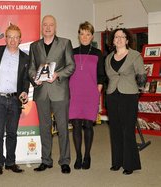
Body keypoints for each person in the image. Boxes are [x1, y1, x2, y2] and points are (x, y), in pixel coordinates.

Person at [29, 15, 75, 174]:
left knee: (62, 128)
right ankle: (46, 160)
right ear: (42, 27)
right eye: (45, 25)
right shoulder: (34, 46)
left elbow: (71, 66)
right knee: (44, 128)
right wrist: (35, 78)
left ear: (55, 27)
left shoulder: (65, 43)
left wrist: (58, 74)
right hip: (41, 92)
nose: (48, 27)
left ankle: (64, 161)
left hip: (59, 91)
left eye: (51, 25)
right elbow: (31, 68)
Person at [0, 24, 30, 175]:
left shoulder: (25, 57)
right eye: (9, 36)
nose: (12, 40)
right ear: (5, 38)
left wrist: (25, 91)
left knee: (12, 133)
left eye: (16, 37)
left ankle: (10, 162)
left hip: (14, 100)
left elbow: (25, 80)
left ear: (20, 39)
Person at [105, 28, 146, 175]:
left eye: (122, 37)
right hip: (112, 95)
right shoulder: (108, 57)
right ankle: (117, 162)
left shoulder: (135, 56)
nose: (119, 39)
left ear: (127, 40)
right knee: (115, 130)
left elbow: (141, 76)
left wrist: (138, 91)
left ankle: (130, 164)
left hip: (129, 96)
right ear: (113, 40)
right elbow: (109, 77)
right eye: (116, 37)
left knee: (127, 130)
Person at [68, 21, 106, 170]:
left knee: (88, 125)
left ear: (91, 36)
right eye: (82, 33)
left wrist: (97, 93)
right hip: (74, 93)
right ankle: (78, 156)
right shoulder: (72, 51)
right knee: (76, 125)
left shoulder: (98, 53)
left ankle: (87, 155)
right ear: (78, 35)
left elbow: (101, 75)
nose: (85, 36)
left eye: (88, 34)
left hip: (91, 93)